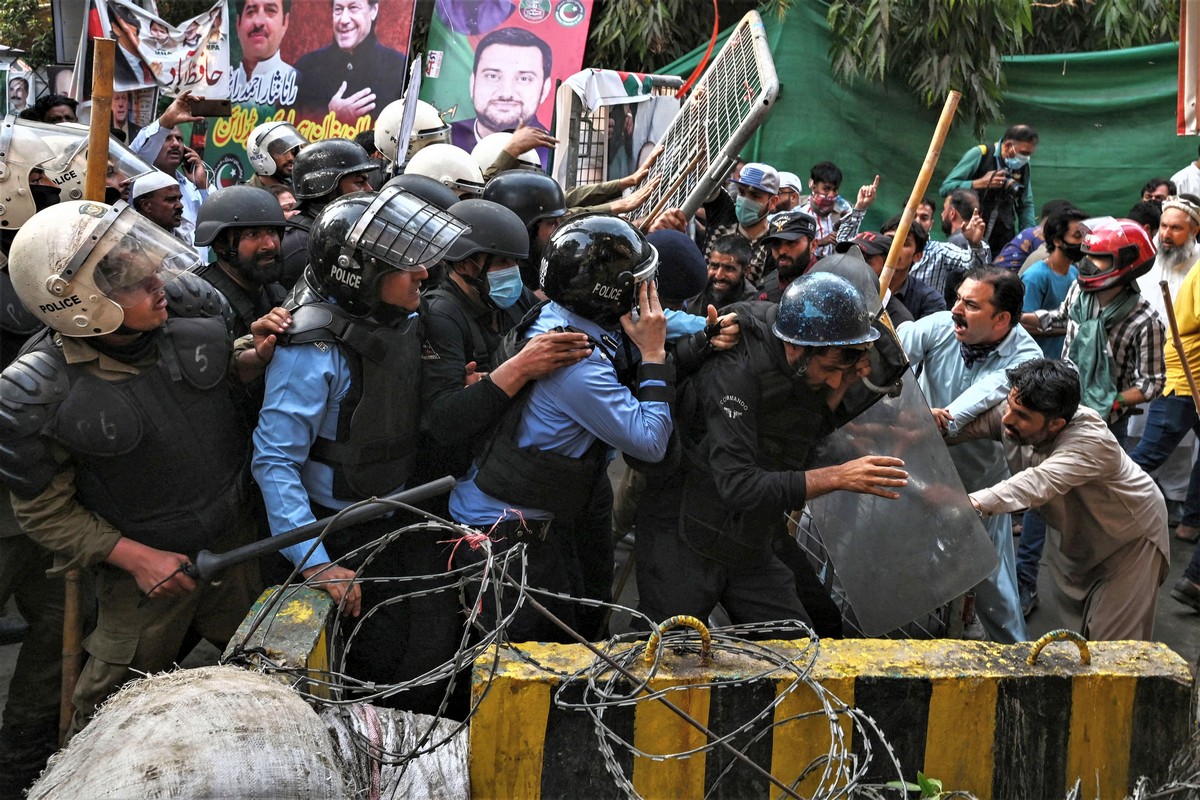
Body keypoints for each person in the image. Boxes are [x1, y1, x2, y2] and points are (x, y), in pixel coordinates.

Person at [1, 200, 281, 740]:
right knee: (107, 720)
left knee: (271, 681)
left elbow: (211, 386)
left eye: (152, 269)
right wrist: (136, 557)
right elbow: (43, 511)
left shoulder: (194, 318)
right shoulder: (38, 393)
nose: (159, 286)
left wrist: (251, 357)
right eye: (133, 282)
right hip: (146, 578)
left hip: (235, 547)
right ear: (80, 304)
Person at [252, 187, 469, 697]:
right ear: (363, 276)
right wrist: (316, 561)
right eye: (406, 266)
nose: (424, 274)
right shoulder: (312, 349)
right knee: (353, 678)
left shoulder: (401, 321)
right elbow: (275, 462)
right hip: (333, 533)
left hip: (392, 518)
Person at [635, 271, 908, 630]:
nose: (835, 381)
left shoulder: (796, 364)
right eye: (829, 369)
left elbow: (795, 436)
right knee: (666, 649)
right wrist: (839, 476)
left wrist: (844, 387)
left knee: (806, 641)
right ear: (796, 347)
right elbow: (738, 484)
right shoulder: (734, 372)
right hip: (685, 530)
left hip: (748, 536)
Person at [447, 214, 674, 643]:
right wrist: (655, 355)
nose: (649, 294)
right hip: (507, 534)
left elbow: (660, 323)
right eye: (640, 284)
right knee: (519, 669)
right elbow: (650, 442)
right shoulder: (576, 362)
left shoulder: (556, 314)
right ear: (613, 293)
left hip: (531, 520)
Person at [955, 359, 1169, 640]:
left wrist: (967, 505)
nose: (1007, 418)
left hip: (1130, 544)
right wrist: (923, 429)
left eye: (1020, 415)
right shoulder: (1019, 412)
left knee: (1112, 649)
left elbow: (1033, 484)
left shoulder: (1090, 441)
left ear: (1056, 424)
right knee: (1083, 638)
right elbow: (962, 427)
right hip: (1084, 541)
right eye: (1009, 406)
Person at [1019, 218, 1164, 614]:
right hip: (1058, 413)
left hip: (1103, 426)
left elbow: (1151, 382)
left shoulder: (1144, 319)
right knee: (1039, 496)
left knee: (1093, 508)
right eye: (1089, 257)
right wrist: (1019, 315)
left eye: (1099, 260)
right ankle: (1024, 581)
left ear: (1126, 264)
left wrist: (1112, 401)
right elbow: (1059, 320)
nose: (1088, 266)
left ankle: (1096, 587)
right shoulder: (1080, 295)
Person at [898, 266, 1041, 642]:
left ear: (1002, 319)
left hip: (975, 487)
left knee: (990, 581)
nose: (957, 309)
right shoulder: (940, 325)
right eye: (958, 298)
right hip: (915, 468)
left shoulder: (1027, 354)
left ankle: (1019, 663)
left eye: (971, 304)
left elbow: (991, 391)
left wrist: (941, 421)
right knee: (893, 559)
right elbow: (898, 352)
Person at [192, 185, 296, 337]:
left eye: (272, 231)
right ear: (221, 244)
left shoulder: (274, 292)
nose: (270, 245)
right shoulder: (202, 304)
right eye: (253, 234)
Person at [449, 27, 553, 170]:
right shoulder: (444, 142)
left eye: (524, 78)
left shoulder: (555, 156)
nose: (506, 93)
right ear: (472, 82)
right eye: (492, 76)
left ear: (545, 88)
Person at [279, 137, 378, 284]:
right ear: (326, 186)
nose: (369, 189)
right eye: (359, 182)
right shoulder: (301, 245)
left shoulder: (333, 231)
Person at [293, 0, 407, 124]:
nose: (344, 19)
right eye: (338, 9)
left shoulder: (399, 68)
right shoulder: (307, 67)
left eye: (353, 8)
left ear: (373, 11)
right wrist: (329, 115)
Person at [940, 124, 1038, 256]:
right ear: (1008, 145)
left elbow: (1026, 203)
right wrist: (978, 183)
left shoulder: (1023, 166)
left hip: (1003, 236)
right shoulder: (981, 154)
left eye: (1029, 154)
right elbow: (946, 188)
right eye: (1024, 153)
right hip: (971, 233)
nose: (1026, 158)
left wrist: (1028, 237)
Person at [1019, 206, 1086, 359]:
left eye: (1084, 235)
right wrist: (1071, 328)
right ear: (1057, 240)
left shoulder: (1074, 273)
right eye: (1077, 236)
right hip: (1038, 363)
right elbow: (1023, 324)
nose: (1083, 241)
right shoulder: (1036, 277)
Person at [796, 162, 874, 258]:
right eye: (826, 189)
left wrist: (860, 206)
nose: (831, 195)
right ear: (813, 185)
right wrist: (820, 242)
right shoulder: (800, 212)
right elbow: (794, 248)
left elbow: (850, 236)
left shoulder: (844, 209)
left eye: (835, 190)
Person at [231, 0, 297, 106]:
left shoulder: (299, 85)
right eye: (251, 11)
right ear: (238, 23)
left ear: (285, 22)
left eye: (270, 10)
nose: (258, 22)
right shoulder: (221, 87)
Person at [879, 215, 946, 321]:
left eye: (904, 243)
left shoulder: (930, 301)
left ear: (917, 256)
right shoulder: (861, 282)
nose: (894, 247)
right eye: (889, 239)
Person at [755, 209, 817, 303]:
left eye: (791, 243)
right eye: (776, 244)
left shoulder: (832, 282)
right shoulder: (766, 292)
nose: (782, 251)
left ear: (813, 245)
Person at [687, 234, 757, 312]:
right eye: (714, 266)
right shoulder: (693, 290)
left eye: (729, 268)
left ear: (746, 270)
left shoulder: (754, 306)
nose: (719, 276)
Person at [245, 120, 307, 190]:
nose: (291, 158)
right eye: (281, 151)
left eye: (292, 150)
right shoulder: (245, 197)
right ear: (261, 156)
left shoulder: (299, 190)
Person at [130, 171, 186, 237]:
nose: (180, 206)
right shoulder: (128, 241)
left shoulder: (185, 237)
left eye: (179, 199)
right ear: (146, 205)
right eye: (171, 199)